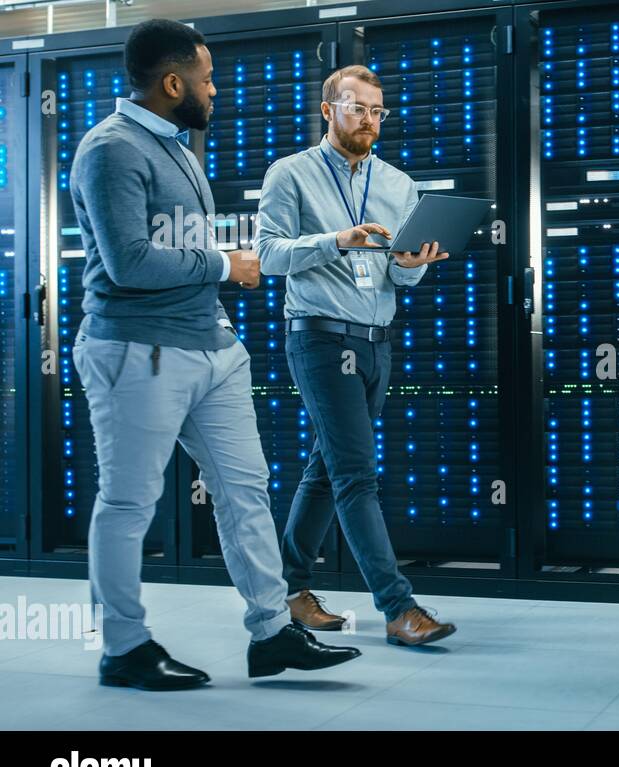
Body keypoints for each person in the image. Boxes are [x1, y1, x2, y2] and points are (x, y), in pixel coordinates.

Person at [69, 18, 362, 689]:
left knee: (246, 489)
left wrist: (223, 312)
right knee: (127, 502)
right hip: (136, 350)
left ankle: (271, 632)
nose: (216, 89)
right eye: (205, 78)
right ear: (173, 83)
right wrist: (226, 265)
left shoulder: (178, 147)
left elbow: (180, 249)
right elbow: (128, 262)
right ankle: (123, 647)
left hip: (210, 347)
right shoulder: (110, 149)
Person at [256, 65, 457, 647]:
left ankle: (288, 590)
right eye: (357, 108)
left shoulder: (397, 184)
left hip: (377, 342)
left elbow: (395, 269)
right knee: (355, 475)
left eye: (377, 111)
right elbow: (268, 255)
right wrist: (334, 241)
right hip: (320, 337)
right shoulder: (289, 174)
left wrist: (411, 267)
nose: (369, 120)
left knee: (327, 467)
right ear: (328, 110)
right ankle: (398, 609)